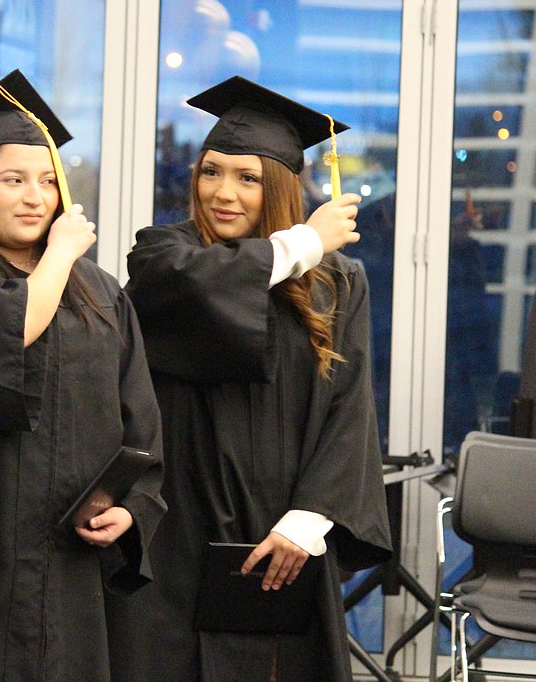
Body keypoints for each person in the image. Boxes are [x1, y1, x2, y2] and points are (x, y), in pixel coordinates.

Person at [108, 76, 391, 681]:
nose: (223, 193)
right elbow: (191, 285)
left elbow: (349, 409)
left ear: (282, 187)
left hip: (278, 535)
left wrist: (311, 520)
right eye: (211, 172)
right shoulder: (162, 255)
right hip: (172, 531)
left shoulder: (337, 283)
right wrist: (303, 242)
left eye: (248, 178)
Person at [0, 71, 166, 681]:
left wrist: (130, 507)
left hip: (76, 560)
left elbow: (140, 421)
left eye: (48, 181)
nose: (35, 197)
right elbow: (1, 332)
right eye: (13, 180)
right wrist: (62, 254)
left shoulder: (99, 292)